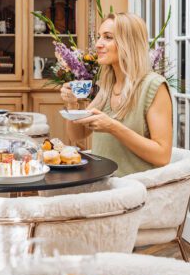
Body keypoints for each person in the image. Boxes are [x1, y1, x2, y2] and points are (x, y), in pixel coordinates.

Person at [60, 12, 173, 176]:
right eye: (99, 37)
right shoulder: (107, 85)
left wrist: (113, 127)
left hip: (133, 191)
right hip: (102, 185)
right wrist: (72, 104)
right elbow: (78, 134)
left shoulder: (153, 86)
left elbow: (162, 156)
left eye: (107, 37)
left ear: (129, 43)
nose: (98, 44)